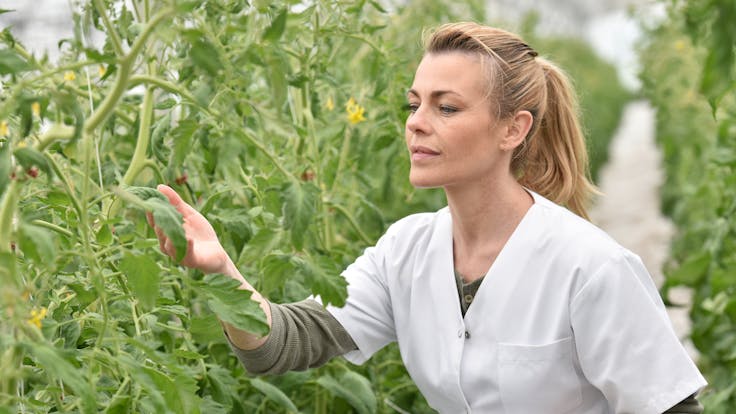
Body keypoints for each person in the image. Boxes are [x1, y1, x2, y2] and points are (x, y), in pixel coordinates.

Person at [149, 22, 706, 413]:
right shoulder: (408, 249)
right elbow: (285, 344)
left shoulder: (591, 267)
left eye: (447, 107)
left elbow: (670, 407)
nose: (416, 122)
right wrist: (220, 270)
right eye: (413, 103)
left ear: (514, 129)